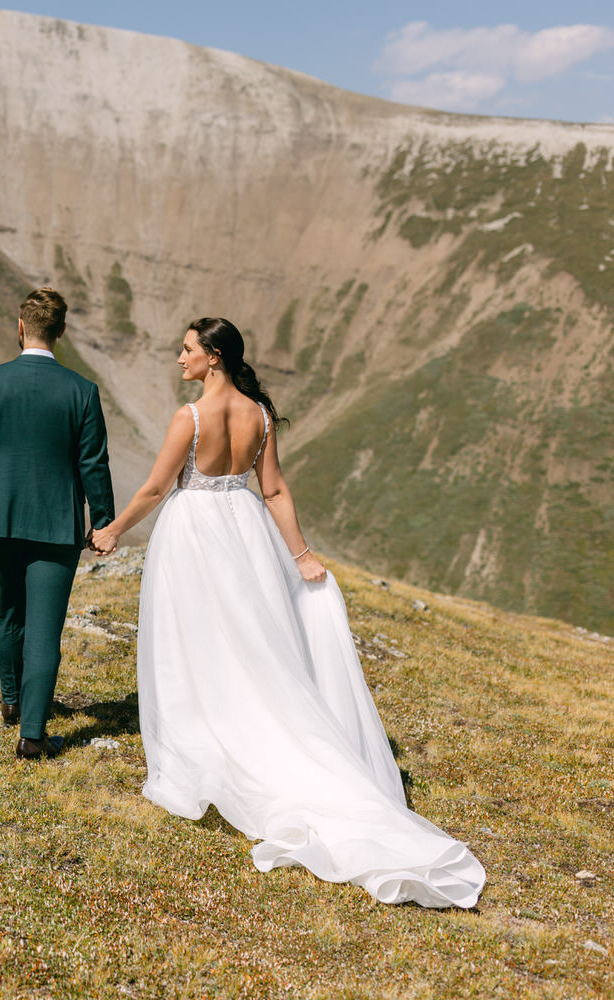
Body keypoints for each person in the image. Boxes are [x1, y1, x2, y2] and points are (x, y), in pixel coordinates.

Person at [99, 316, 484, 907]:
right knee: (253, 642)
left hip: (194, 535)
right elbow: (274, 490)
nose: (179, 360)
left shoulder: (190, 417)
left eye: (187, 351)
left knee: (192, 641)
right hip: (246, 533)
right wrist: (299, 555)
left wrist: (114, 531)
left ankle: (207, 737)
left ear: (215, 358)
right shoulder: (259, 416)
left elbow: (155, 489)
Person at [0, 287, 117, 759]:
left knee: (9, 610)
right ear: (60, 333)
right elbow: (93, 463)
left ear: (20, 328)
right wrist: (103, 521)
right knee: (44, 628)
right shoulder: (82, 391)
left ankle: (14, 701)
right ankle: (33, 735)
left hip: (0, 518)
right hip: (55, 524)